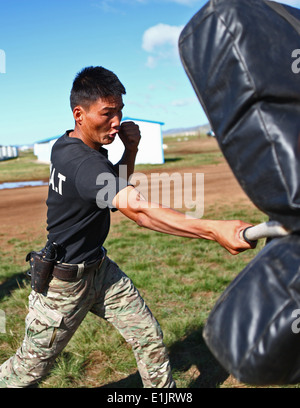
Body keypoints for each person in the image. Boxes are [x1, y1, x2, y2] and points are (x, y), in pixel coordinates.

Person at [0, 66, 254, 388]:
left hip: (99, 269)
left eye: (119, 112)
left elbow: (112, 193)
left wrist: (129, 150)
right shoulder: (84, 164)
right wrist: (213, 229)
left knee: (149, 337)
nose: (117, 122)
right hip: (63, 286)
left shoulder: (65, 146)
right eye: (107, 114)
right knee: (25, 372)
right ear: (80, 114)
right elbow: (139, 212)